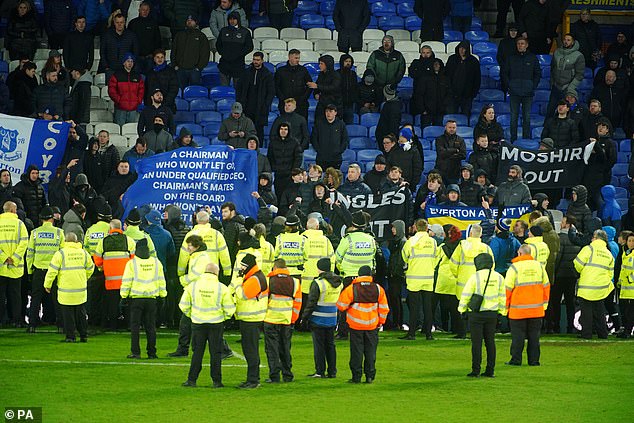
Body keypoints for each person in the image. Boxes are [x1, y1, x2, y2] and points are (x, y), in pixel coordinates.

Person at [179, 262, 235, 388]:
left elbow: (183, 305)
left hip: (198, 323)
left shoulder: (193, 286)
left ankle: (191, 380)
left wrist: (193, 315)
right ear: (217, 273)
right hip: (216, 324)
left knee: (197, 352)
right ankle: (217, 381)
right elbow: (230, 310)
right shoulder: (222, 288)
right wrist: (222, 317)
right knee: (216, 353)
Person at [336, 265, 389, 383]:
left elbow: (341, 306)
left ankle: (356, 377)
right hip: (372, 325)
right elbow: (384, 309)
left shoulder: (352, 288)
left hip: (355, 325)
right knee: (371, 352)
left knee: (356, 352)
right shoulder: (378, 289)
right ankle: (370, 376)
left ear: (359, 275)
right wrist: (380, 322)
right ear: (371, 275)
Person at [458, 253, 506, 377]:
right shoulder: (499, 277)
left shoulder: (475, 277)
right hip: (492, 314)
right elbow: (502, 297)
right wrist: (501, 312)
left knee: (476, 343)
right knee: (490, 342)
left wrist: (462, 309)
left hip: (477, 314)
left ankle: (476, 370)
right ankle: (490, 370)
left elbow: (466, 294)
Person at [120, 238, 167, 359]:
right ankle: (152, 352)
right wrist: (163, 295)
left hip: (136, 299)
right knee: (151, 327)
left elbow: (127, 281)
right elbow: (161, 280)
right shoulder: (156, 262)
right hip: (151, 299)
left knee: (135, 327)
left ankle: (135, 352)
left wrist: (123, 296)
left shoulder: (132, 263)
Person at [43, 232, 94, 342]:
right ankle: (84, 335)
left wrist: (47, 284)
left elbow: (52, 271)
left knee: (68, 314)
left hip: (65, 290)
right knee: (81, 313)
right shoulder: (84, 253)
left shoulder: (60, 254)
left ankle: (70, 337)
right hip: (80, 289)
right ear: (76, 241)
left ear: (65, 241)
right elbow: (91, 268)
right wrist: (84, 278)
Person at [504, 244, 550, 366]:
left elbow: (507, 289)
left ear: (519, 253)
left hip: (518, 310)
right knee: (534, 337)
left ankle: (516, 360)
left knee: (518, 337)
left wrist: (505, 308)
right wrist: (544, 305)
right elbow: (546, 286)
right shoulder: (539, 267)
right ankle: (534, 361)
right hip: (536, 310)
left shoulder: (514, 268)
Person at [334, 211, 377, 339]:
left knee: (345, 306)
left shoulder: (348, 239)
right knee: (365, 305)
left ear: (353, 224)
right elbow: (373, 257)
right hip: (366, 279)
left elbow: (337, 258)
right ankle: (365, 330)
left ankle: (343, 333)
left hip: (349, 278)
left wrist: (342, 270)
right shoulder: (371, 239)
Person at [450, 224, 493, 338]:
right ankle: (477, 333)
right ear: (480, 234)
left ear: (470, 233)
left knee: (462, 307)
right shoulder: (486, 248)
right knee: (478, 308)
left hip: (463, 282)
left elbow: (453, 263)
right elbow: (491, 266)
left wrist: (457, 275)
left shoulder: (461, 246)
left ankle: (462, 333)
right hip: (480, 282)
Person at [26, 207, 65, 333]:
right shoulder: (59, 233)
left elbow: (30, 253)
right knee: (57, 298)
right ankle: (60, 325)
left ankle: (32, 325)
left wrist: (30, 270)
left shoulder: (35, 233)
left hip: (39, 269)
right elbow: (62, 253)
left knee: (36, 298)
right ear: (52, 219)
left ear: (41, 219)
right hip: (54, 271)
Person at [263, 259, 302, 383]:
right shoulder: (295, 282)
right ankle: (287, 374)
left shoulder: (269, 281)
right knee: (285, 348)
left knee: (272, 349)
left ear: (274, 268)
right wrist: (293, 319)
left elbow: (264, 301)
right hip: (286, 320)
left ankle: (274, 376)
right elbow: (298, 304)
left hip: (270, 319)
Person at [233, 253, 269, 389]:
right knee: (250, 350)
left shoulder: (255, 279)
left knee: (251, 351)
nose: (241, 268)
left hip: (251, 319)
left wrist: (237, 284)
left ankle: (253, 380)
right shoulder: (255, 276)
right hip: (251, 319)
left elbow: (243, 295)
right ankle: (252, 379)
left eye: (242, 266)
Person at [302, 257, 342, 378]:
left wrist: (304, 318)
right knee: (330, 345)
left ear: (318, 268)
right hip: (332, 318)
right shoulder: (339, 282)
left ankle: (320, 371)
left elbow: (311, 303)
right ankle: (332, 371)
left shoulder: (318, 283)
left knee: (319, 347)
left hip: (318, 319)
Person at [93, 219, 136, 330]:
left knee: (112, 305)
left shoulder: (103, 241)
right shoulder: (129, 241)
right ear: (120, 227)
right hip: (126, 280)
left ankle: (113, 325)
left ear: (110, 229)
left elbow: (97, 260)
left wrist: (103, 267)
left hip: (110, 280)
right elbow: (134, 260)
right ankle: (128, 325)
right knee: (127, 304)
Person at [400, 219, 437, 341]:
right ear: (427, 228)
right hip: (428, 277)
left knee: (414, 307)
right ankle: (429, 334)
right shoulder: (433, 242)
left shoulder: (411, 241)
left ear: (415, 227)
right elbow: (436, 258)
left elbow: (404, 257)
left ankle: (411, 333)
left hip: (414, 278)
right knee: (428, 306)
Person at [574, 230, 615, 339]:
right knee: (600, 313)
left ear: (595, 238)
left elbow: (577, 264)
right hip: (601, 288)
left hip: (586, 288)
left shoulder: (588, 249)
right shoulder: (608, 254)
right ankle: (603, 334)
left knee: (586, 313)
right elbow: (610, 273)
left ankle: (586, 334)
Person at [503, 37, 541, 142]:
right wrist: (510, 85)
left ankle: (526, 140)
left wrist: (532, 86)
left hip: (528, 93)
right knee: (513, 117)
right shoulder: (511, 58)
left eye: (522, 43)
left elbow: (537, 74)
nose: (520, 45)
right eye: (518, 44)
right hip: (514, 92)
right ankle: (513, 140)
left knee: (527, 117)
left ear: (526, 45)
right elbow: (504, 73)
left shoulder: (532, 58)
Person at [237, 52, 275, 144]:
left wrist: (265, 106)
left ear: (262, 60)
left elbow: (271, 92)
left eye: (258, 60)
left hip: (260, 108)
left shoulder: (267, 75)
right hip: (246, 107)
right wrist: (240, 103)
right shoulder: (246, 72)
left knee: (259, 131)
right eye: (254, 59)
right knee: (245, 130)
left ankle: (259, 151)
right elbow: (239, 88)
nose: (255, 62)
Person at [546, 33, 585, 118]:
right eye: (565, 40)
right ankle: (546, 129)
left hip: (567, 89)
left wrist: (570, 88)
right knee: (550, 111)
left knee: (567, 114)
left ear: (573, 42)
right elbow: (552, 68)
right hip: (556, 87)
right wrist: (552, 83)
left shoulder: (578, 56)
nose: (566, 42)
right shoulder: (557, 52)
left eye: (568, 40)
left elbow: (579, 75)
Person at [582, 119, 617, 212]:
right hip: (590, 177)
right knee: (589, 201)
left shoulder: (610, 143)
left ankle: (603, 220)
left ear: (607, 130)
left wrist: (602, 170)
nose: (600, 128)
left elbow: (612, 160)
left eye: (603, 127)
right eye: (599, 126)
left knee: (599, 200)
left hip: (603, 177)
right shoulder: (591, 142)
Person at [171, 15, 211, 89]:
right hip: (180, 69)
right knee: (180, 91)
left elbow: (205, 53)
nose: (189, 22)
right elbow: (173, 51)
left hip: (194, 70)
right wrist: (174, 65)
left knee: (194, 92)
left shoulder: (201, 36)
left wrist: (199, 67)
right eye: (188, 20)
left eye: (191, 20)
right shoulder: (179, 35)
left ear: (196, 22)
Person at [216, 11, 253, 87]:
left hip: (238, 65)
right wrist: (223, 53)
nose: (232, 21)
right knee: (224, 90)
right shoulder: (223, 30)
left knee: (238, 89)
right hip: (224, 65)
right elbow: (218, 45)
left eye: (234, 19)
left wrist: (239, 55)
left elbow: (249, 47)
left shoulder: (245, 32)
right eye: (230, 19)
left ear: (238, 20)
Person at [444, 40, 480, 117]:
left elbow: (477, 79)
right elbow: (446, 75)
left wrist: (472, 94)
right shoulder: (452, 59)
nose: (462, 50)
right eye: (460, 48)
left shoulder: (473, 61)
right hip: (452, 95)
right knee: (451, 117)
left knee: (466, 116)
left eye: (464, 48)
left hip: (467, 96)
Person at [268, 122, 303, 199]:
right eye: (281, 129)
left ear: (289, 131)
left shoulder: (294, 142)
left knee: (289, 197)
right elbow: (270, 157)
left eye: (285, 129)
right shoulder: (273, 142)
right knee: (279, 196)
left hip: (290, 175)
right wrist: (275, 168)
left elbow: (298, 157)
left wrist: (293, 171)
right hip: (278, 174)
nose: (283, 131)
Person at [108, 53, 145, 126]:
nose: (130, 63)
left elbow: (141, 90)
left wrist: (138, 100)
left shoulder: (137, 76)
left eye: (131, 61)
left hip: (133, 109)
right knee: (119, 130)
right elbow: (111, 90)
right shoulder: (117, 75)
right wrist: (119, 100)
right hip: (120, 109)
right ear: (124, 63)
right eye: (128, 61)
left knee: (130, 131)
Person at [275, 50, 313, 120]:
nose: (298, 60)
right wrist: (283, 99)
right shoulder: (280, 71)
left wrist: (303, 98)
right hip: (285, 104)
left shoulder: (303, 70)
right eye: (296, 58)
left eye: (298, 58)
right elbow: (276, 87)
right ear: (289, 57)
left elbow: (310, 85)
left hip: (301, 105)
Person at [310, 104, 349, 171]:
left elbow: (345, 139)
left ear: (335, 113)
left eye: (331, 111)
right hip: (321, 158)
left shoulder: (341, 124)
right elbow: (314, 139)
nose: (328, 113)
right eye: (327, 111)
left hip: (336, 158)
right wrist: (319, 151)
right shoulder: (319, 124)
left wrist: (339, 151)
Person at [127, 2, 162, 75]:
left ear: (149, 11)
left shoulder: (153, 23)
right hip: (136, 58)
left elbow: (158, 41)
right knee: (136, 79)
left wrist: (154, 55)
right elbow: (128, 41)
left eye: (147, 10)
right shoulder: (133, 23)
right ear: (139, 10)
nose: (145, 12)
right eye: (143, 9)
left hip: (150, 58)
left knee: (150, 79)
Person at [100, 14, 138, 78]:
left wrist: (130, 66)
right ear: (114, 23)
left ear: (125, 22)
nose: (119, 24)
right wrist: (106, 66)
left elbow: (135, 52)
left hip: (126, 69)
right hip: (110, 69)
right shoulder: (107, 35)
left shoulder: (131, 36)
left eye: (121, 22)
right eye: (117, 22)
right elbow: (102, 51)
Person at [417, 58, 451, 127]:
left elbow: (449, 93)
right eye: (434, 64)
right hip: (426, 111)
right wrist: (423, 109)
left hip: (440, 111)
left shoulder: (445, 79)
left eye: (438, 64)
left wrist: (444, 106)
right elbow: (419, 94)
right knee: (425, 129)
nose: (436, 65)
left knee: (438, 131)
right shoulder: (424, 78)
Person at [308, 55, 342, 121]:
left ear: (328, 64)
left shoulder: (336, 75)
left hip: (334, 103)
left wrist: (318, 86)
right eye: (319, 63)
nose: (319, 65)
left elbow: (333, 87)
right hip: (322, 102)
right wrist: (316, 93)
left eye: (321, 64)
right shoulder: (321, 74)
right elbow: (317, 85)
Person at [434, 120, 466, 184]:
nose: (452, 129)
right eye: (450, 127)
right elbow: (441, 153)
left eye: (453, 128)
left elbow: (463, 155)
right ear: (445, 127)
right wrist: (455, 150)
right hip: (441, 171)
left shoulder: (460, 140)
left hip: (455, 173)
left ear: (456, 128)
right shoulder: (439, 139)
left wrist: (448, 153)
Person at [337, 54, 359, 125]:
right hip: (338, 103)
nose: (348, 63)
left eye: (350, 61)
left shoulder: (353, 74)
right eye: (346, 61)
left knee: (349, 124)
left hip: (350, 104)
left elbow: (355, 88)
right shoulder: (337, 73)